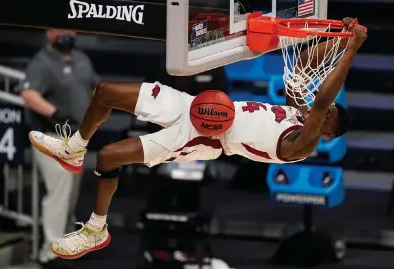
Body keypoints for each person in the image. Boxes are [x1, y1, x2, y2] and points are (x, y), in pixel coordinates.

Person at [28, 18, 366, 259]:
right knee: (106, 92)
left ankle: (95, 229)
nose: (319, 110)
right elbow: (305, 63)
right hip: (197, 106)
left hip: (207, 136)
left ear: (327, 131)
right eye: (326, 109)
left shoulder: (302, 145)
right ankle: (74, 147)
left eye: (327, 115)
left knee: (109, 157)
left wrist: (352, 48)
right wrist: (338, 38)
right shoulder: (296, 111)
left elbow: (322, 100)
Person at [19, 29, 99, 263]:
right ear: (49, 33)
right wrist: (55, 112)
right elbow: (29, 94)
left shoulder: (81, 58)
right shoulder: (42, 61)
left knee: (71, 194)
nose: (66, 34)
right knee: (59, 193)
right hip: (51, 136)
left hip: (77, 138)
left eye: (69, 29)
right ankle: (51, 248)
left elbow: (95, 87)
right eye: (60, 29)